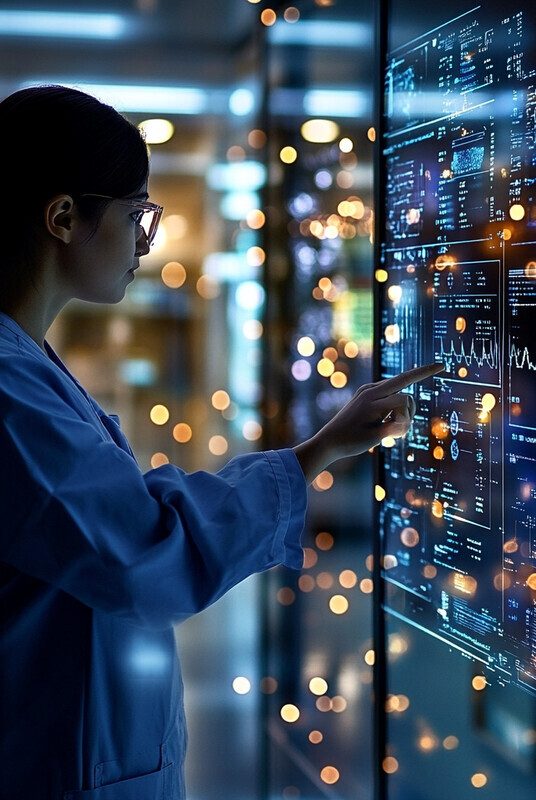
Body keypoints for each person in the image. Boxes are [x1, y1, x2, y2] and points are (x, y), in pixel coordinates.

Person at [0, 85, 441, 799]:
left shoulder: (28, 364)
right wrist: (315, 453)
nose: (146, 243)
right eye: (138, 216)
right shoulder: (9, 390)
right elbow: (145, 551)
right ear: (63, 218)